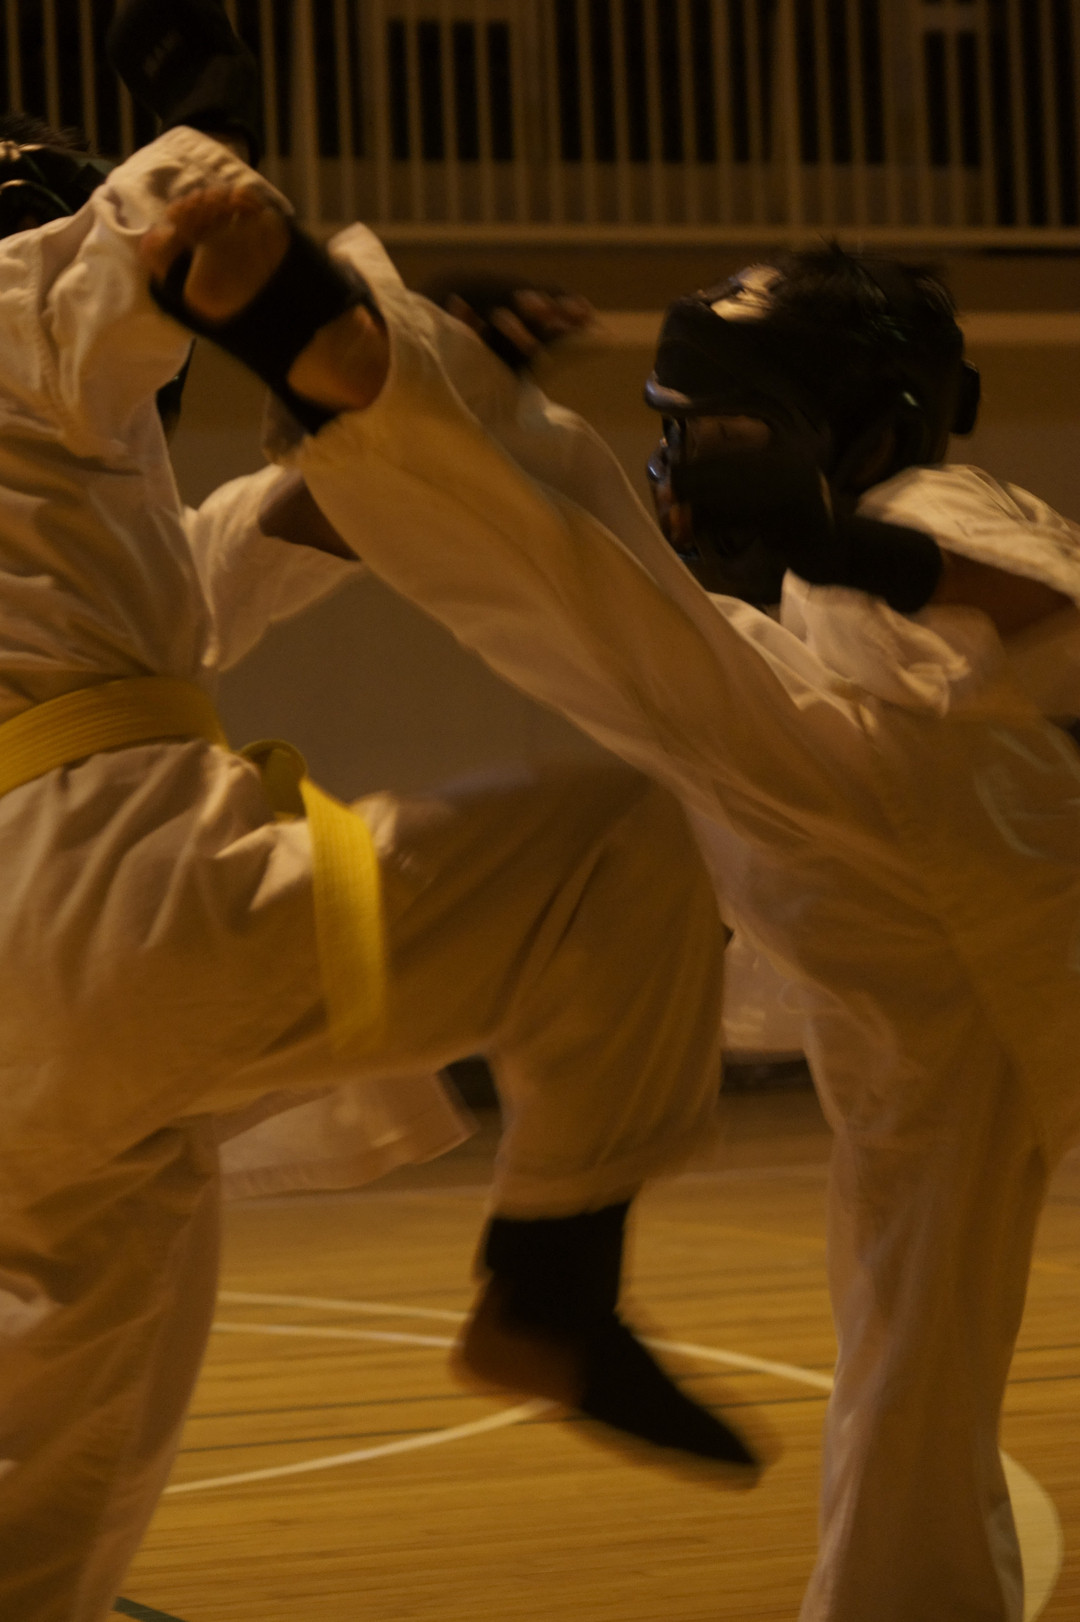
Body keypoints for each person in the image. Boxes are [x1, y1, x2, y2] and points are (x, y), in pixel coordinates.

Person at [147, 182, 1080, 1622]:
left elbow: (1048, 604)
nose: (686, 463)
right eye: (677, 425)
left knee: (586, 573)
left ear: (864, 427)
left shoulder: (928, 506)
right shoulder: (780, 588)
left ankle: (332, 338)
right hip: (914, 945)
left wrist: (849, 545)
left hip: (947, 861)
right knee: (917, 1322)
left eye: (727, 430)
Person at [0, 55, 759, 1622]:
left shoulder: (58, 517)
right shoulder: (20, 297)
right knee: (614, 847)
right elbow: (166, 211)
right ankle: (551, 1284)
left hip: (31, 1005)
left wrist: (402, 390)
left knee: (64, 1404)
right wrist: (233, 164)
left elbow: (201, 579)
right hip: (106, 911)